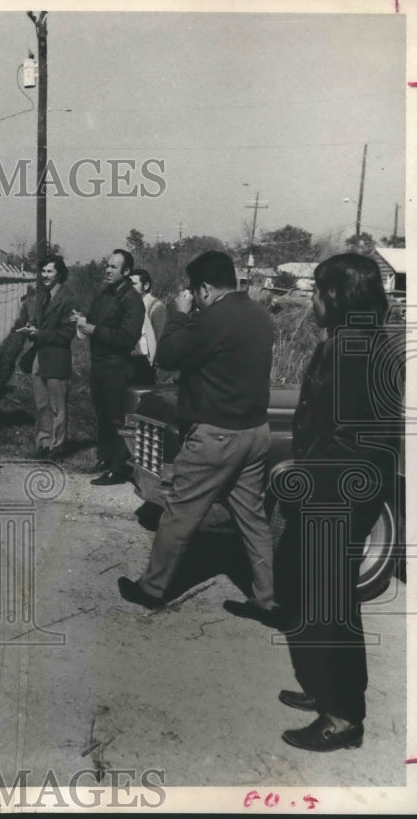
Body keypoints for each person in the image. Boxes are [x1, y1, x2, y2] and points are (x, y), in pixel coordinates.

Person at [276, 253, 401, 752]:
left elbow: (355, 440)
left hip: (341, 493)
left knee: (332, 605)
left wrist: (302, 473)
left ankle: (344, 716)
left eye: (316, 292)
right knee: (318, 595)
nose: (310, 302)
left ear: (335, 296)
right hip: (341, 487)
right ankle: (327, 689)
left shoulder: (354, 347)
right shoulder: (360, 341)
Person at [117, 251, 277, 620]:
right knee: (253, 520)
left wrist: (178, 314)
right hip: (255, 431)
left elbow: (167, 356)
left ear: (203, 288)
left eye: (194, 289)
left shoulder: (213, 318)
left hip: (216, 436)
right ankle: (268, 599)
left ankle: (152, 589)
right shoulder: (260, 315)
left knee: (179, 512)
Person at [71, 249, 144, 484]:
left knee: (116, 417)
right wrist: (81, 320)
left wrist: (95, 330)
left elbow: (126, 337)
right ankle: (105, 458)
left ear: (126, 271)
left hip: (118, 366)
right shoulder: (104, 294)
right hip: (99, 364)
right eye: (107, 266)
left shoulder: (132, 300)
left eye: (114, 267)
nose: (108, 270)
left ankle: (119, 468)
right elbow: (93, 320)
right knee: (102, 413)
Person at [13, 254, 77, 458]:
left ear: (60, 274)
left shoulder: (68, 298)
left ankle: (58, 446)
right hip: (39, 357)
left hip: (57, 359)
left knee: (57, 406)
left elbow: (67, 333)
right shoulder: (44, 297)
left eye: (50, 271)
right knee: (42, 405)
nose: (45, 275)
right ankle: (44, 443)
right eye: (43, 271)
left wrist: (39, 333)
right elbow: (45, 325)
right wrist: (33, 327)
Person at [128, 268, 168, 385]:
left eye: (134, 284)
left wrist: (154, 364)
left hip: (145, 362)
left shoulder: (156, 306)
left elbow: (160, 336)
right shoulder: (130, 304)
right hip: (129, 360)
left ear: (145, 286)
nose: (130, 287)